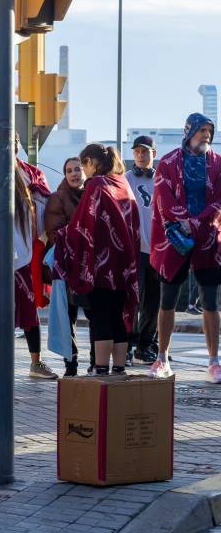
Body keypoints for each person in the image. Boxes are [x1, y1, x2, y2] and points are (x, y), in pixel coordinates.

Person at [0, 163, 59, 379]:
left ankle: (36, 363)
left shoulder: (23, 189)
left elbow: (35, 225)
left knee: (28, 314)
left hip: (19, 262)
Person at [55, 144, 141, 375]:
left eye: (84, 165)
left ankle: (101, 369)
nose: (83, 170)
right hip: (125, 263)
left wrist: (61, 235)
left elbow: (82, 225)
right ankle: (119, 369)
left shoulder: (96, 186)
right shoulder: (122, 183)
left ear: (91, 162)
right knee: (118, 316)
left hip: (102, 265)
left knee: (102, 316)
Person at [149, 113, 221, 382]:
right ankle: (162, 358)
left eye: (209, 131)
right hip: (174, 238)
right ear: (189, 131)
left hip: (209, 238)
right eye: (201, 130)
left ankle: (214, 361)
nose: (206, 135)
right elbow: (162, 199)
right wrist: (184, 221)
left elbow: (219, 199)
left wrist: (199, 222)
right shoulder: (168, 162)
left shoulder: (217, 163)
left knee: (211, 302)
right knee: (167, 300)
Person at [44, 157, 86, 375]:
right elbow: (54, 233)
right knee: (68, 315)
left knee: (93, 311)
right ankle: (71, 363)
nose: (74, 174)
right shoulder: (58, 198)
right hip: (67, 265)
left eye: (77, 169)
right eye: (69, 170)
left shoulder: (92, 194)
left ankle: (98, 361)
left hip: (91, 264)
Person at [125, 136, 159, 364]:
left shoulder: (163, 180)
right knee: (131, 300)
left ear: (153, 154)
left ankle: (146, 346)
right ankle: (126, 345)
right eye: (137, 151)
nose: (140, 155)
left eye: (145, 152)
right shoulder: (126, 179)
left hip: (158, 250)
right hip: (134, 250)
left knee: (153, 302)